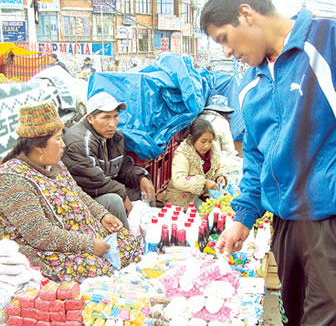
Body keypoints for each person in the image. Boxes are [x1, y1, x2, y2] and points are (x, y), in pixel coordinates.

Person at [200, 0, 336, 326]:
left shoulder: (326, 42)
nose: (226, 52)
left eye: (225, 38)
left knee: (324, 320)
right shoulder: (251, 86)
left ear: (247, 14)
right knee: (294, 312)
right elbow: (257, 159)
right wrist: (242, 217)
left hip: (328, 215)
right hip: (286, 218)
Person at [0, 101, 142, 283]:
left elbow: (77, 193)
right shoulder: (12, 180)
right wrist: (89, 245)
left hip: (80, 234)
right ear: (39, 147)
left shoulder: (55, 165)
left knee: (128, 243)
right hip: (47, 250)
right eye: (58, 139)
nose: (63, 145)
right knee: (98, 269)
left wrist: (102, 215)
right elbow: (40, 234)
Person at [62, 92, 155, 227]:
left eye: (115, 116)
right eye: (105, 117)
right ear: (90, 118)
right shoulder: (80, 142)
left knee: (144, 187)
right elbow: (93, 181)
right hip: (84, 197)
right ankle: (127, 242)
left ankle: (149, 232)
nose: (112, 124)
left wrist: (141, 178)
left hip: (104, 186)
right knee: (114, 200)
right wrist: (122, 194)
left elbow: (123, 167)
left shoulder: (115, 137)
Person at [160, 118, 227, 210]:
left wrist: (220, 177)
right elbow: (178, 180)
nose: (207, 146)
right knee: (208, 214)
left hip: (203, 195)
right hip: (182, 198)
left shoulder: (213, 151)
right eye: (203, 141)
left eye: (210, 141)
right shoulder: (183, 153)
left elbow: (219, 167)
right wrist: (204, 182)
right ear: (191, 138)